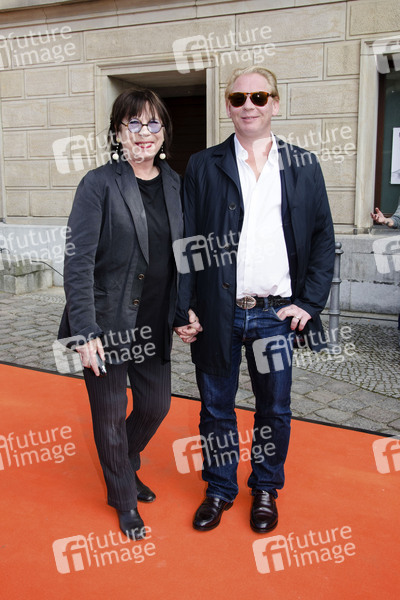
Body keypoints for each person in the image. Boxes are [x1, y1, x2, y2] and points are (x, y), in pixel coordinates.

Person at [174, 66, 335, 534]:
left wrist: (310, 303)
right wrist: (184, 306)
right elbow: (187, 241)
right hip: (217, 313)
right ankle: (219, 489)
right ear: (228, 106)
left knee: (274, 410)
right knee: (216, 409)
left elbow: (322, 238)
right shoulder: (203, 164)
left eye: (259, 97)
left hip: (274, 315)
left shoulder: (303, 164)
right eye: (239, 98)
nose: (249, 105)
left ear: (275, 104)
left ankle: (265, 488)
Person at [58, 87, 183, 540]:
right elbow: (78, 262)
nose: (144, 132)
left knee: (156, 405)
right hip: (106, 323)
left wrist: (183, 311)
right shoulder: (98, 184)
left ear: (163, 130)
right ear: (118, 132)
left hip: (154, 321)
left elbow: (179, 256)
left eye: (152, 123)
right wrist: (84, 330)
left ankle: (124, 464)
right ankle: (123, 498)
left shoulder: (175, 183)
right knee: (110, 417)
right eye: (133, 123)